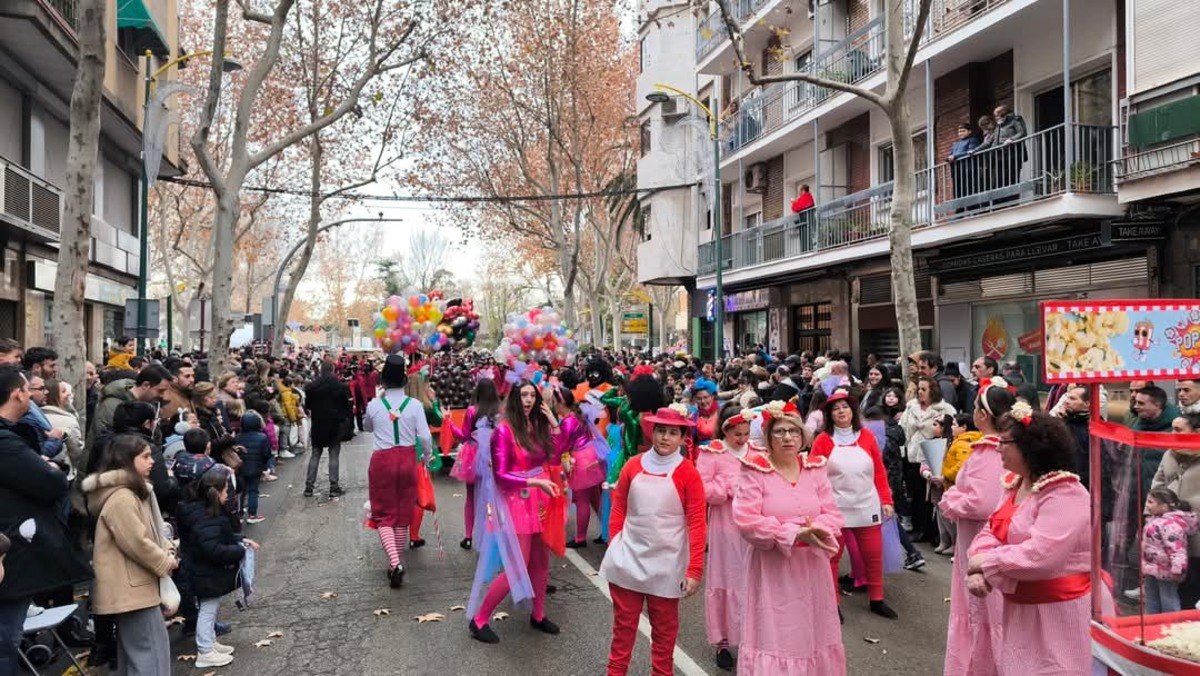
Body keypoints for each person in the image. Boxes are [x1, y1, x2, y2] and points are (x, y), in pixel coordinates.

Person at [965, 407, 1091, 676]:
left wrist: (986, 564)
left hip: (1057, 612)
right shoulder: (1016, 483)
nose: (998, 448)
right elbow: (992, 529)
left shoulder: (1065, 492)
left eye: (1004, 442)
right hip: (1021, 607)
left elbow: (1042, 555)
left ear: (1030, 447)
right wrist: (979, 568)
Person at [733, 403, 845, 675]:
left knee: (813, 628)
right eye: (779, 431)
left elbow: (832, 513)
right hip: (773, 569)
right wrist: (793, 533)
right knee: (777, 630)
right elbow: (746, 520)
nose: (787, 438)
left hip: (812, 567)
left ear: (803, 436)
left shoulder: (815, 468)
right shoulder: (754, 470)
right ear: (768, 437)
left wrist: (817, 529)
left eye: (794, 432)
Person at [600, 405, 705, 676]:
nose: (665, 438)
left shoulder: (688, 473)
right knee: (623, 629)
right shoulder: (633, 465)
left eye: (672, 433)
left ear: (683, 438)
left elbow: (696, 521)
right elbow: (619, 506)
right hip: (629, 558)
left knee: (664, 633)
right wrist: (615, 543)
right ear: (652, 431)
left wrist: (694, 568)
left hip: (668, 562)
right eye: (661, 431)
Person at [0, 366, 91, 675]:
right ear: (18, 394)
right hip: (13, 551)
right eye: (29, 390)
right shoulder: (6, 443)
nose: (34, 396)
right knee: (6, 638)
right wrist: (49, 466)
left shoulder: (12, 437)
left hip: (16, 546)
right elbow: (52, 482)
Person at [469, 379, 563, 644]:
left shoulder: (537, 425)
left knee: (541, 561)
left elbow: (554, 456)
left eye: (533, 395)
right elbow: (500, 476)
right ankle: (479, 620)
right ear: (514, 398)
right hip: (515, 503)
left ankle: (538, 614)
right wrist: (534, 481)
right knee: (517, 567)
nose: (529, 400)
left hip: (539, 500)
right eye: (523, 395)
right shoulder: (504, 431)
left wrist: (553, 422)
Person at [82, 434, 178, 676]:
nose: (152, 461)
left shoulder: (121, 493)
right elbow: (137, 542)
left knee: (137, 655)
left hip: (131, 586)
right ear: (126, 460)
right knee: (150, 655)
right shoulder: (122, 497)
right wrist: (165, 561)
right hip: (133, 586)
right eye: (145, 456)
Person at [939, 377, 1014, 676]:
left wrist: (949, 500)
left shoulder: (986, 451)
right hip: (998, 536)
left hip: (981, 539)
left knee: (982, 607)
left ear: (984, 415)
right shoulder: (1008, 447)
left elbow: (980, 502)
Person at [809, 391, 898, 619]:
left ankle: (877, 599)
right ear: (829, 414)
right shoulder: (822, 440)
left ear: (853, 411)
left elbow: (879, 472)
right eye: (836, 408)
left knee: (873, 556)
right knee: (832, 556)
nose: (841, 411)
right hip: (834, 508)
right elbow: (813, 475)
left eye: (845, 407)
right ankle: (833, 603)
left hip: (866, 505)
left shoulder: (867, 436)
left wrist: (886, 500)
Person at [176, 467, 258, 668]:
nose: (228, 494)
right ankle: (205, 650)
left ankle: (210, 642)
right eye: (226, 490)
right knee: (208, 610)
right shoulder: (207, 516)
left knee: (209, 608)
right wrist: (238, 550)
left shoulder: (200, 511)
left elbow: (215, 539)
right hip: (204, 572)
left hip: (200, 570)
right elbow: (213, 548)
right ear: (216, 492)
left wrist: (241, 540)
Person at [695, 405, 752, 670]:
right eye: (737, 434)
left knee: (752, 581)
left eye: (746, 433)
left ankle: (751, 638)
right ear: (725, 430)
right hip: (725, 527)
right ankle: (723, 640)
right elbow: (702, 489)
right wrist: (728, 488)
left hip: (752, 527)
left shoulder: (757, 452)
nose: (742, 439)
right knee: (726, 579)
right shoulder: (711, 454)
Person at [900, 376, 957, 544]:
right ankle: (917, 528)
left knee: (929, 499)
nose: (920, 392)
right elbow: (903, 428)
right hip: (911, 454)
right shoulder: (911, 407)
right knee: (914, 495)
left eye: (924, 389)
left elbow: (949, 430)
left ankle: (931, 532)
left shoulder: (945, 409)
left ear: (933, 391)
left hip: (932, 456)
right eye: (919, 389)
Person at [1152, 413, 1200, 608]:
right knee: (1176, 586)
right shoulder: (1169, 453)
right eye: (1172, 428)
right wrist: (1151, 513)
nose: (1172, 434)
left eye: (1178, 430)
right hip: (1169, 532)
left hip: (1196, 531)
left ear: (1196, 433)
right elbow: (1158, 483)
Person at [448, 376, 501, 550]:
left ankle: (469, 536)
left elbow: (464, 436)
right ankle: (491, 534)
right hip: (494, 458)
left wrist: (449, 424)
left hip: (474, 456)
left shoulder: (472, 411)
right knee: (492, 497)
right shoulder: (500, 411)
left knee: (471, 498)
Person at [553, 386, 607, 550]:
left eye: (555, 401)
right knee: (595, 498)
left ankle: (580, 538)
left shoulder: (568, 421)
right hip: (591, 456)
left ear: (561, 402)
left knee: (582, 499)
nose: (553, 405)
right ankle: (606, 532)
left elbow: (562, 446)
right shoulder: (578, 416)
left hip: (580, 460)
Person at [1140, 487, 1197, 614]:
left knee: (1168, 601)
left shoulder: (1171, 526)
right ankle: (1152, 625)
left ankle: (1171, 625)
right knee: (1151, 600)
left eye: (1150, 502)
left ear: (1164, 506)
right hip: (1152, 568)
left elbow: (1177, 550)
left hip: (1166, 571)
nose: (1147, 505)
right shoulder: (1155, 520)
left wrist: (1177, 570)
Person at [304, 360, 353, 499]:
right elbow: (346, 405)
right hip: (334, 423)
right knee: (334, 454)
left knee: (315, 455)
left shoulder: (312, 386)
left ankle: (309, 486)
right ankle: (333, 486)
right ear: (332, 370)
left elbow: (308, 406)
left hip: (318, 422)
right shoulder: (339, 386)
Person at [234, 411, 273, 525]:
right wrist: (265, 466)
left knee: (241, 491)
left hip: (241, 468)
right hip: (256, 467)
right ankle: (252, 514)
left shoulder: (237, 437)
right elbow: (266, 454)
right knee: (253, 491)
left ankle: (239, 514)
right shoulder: (262, 437)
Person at [947, 122, 981, 208]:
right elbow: (949, 155)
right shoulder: (955, 144)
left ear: (969, 131)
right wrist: (948, 158)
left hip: (968, 169)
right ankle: (959, 209)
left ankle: (971, 208)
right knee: (957, 191)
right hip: (956, 170)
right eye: (959, 131)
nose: (961, 133)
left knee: (969, 189)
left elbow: (970, 151)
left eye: (963, 131)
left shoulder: (973, 140)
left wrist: (955, 156)